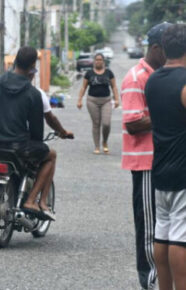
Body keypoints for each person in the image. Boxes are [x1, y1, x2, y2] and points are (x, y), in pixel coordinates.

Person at [0, 46, 72, 220]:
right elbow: (37, 131)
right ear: (32, 66)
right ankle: (30, 201)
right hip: (20, 148)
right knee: (50, 155)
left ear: (15, 61)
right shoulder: (33, 94)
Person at [121, 22, 173, 290]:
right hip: (144, 163)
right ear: (155, 48)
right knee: (150, 226)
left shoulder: (163, 75)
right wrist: (167, 112)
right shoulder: (137, 76)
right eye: (168, 49)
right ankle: (151, 280)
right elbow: (132, 122)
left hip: (163, 161)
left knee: (167, 226)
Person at [145, 24, 186, 290]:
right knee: (181, 237)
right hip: (183, 170)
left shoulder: (153, 80)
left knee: (162, 232)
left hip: (160, 167)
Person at [77, 53, 120, 154]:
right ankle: (97, 146)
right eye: (96, 60)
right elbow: (83, 87)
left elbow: (114, 87)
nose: (98, 61)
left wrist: (117, 99)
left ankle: (104, 141)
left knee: (106, 123)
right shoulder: (89, 73)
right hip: (92, 101)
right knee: (96, 124)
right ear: (94, 61)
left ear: (103, 61)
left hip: (106, 100)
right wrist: (79, 100)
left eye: (100, 60)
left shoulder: (109, 73)